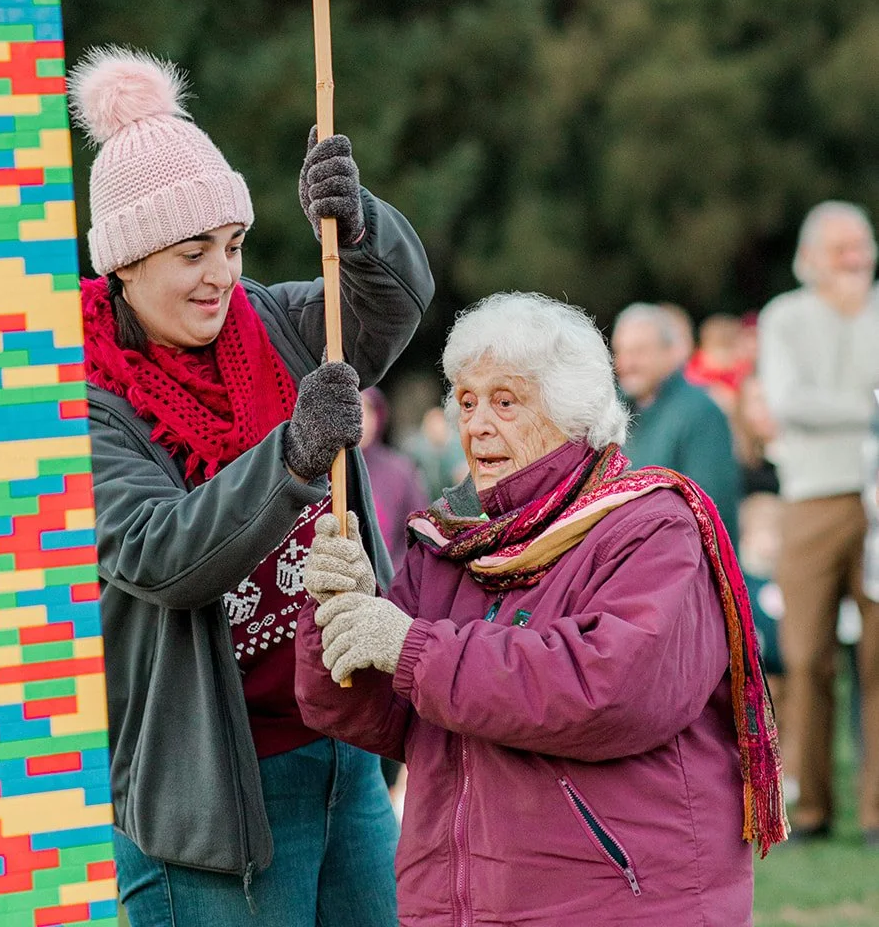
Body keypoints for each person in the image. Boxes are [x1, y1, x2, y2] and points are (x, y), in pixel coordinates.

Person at [69, 46, 435, 925]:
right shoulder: (84, 400)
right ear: (124, 262)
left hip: (342, 747)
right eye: (191, 252)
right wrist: (294, 455)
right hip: (212, 791)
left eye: (232, 245)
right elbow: (159, 554)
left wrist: (361, 229)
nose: (221, 275)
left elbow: (389, 306)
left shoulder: (274, 318)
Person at [294, 293, 786, 926]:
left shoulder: (651, 527)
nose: (476, 424)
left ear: (571, 413)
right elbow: (370, 715)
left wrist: (410, 647)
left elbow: (607, 690)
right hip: (456, 906)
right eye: (466, 401)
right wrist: (338, 616)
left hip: (615, 906)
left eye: (505, 401)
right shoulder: (451, 540)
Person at [759, 199, 879, 841]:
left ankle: (877, 810)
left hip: (878, 495)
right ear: (811, 258)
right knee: (805, 656)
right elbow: (789, 402)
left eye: (862, 244)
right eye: (841, 248)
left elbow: (811, 406)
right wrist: (871, 408)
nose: (855, 258)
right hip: (810, 499)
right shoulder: (785, 317)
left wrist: (841, 407)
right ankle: (809, 806)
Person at [613, 302, 741, 543]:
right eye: (621, 352)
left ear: (670, 353)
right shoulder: (613, 411)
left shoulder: (701, 412)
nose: (627, 363)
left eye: (639, 352)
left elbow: (710, 506)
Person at [360, 385, 429, 572]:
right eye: (353, 411)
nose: (360, 420)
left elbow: (418, 532)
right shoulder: (325, 473)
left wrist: (396, 577)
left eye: (366, 411)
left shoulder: (400, 470)